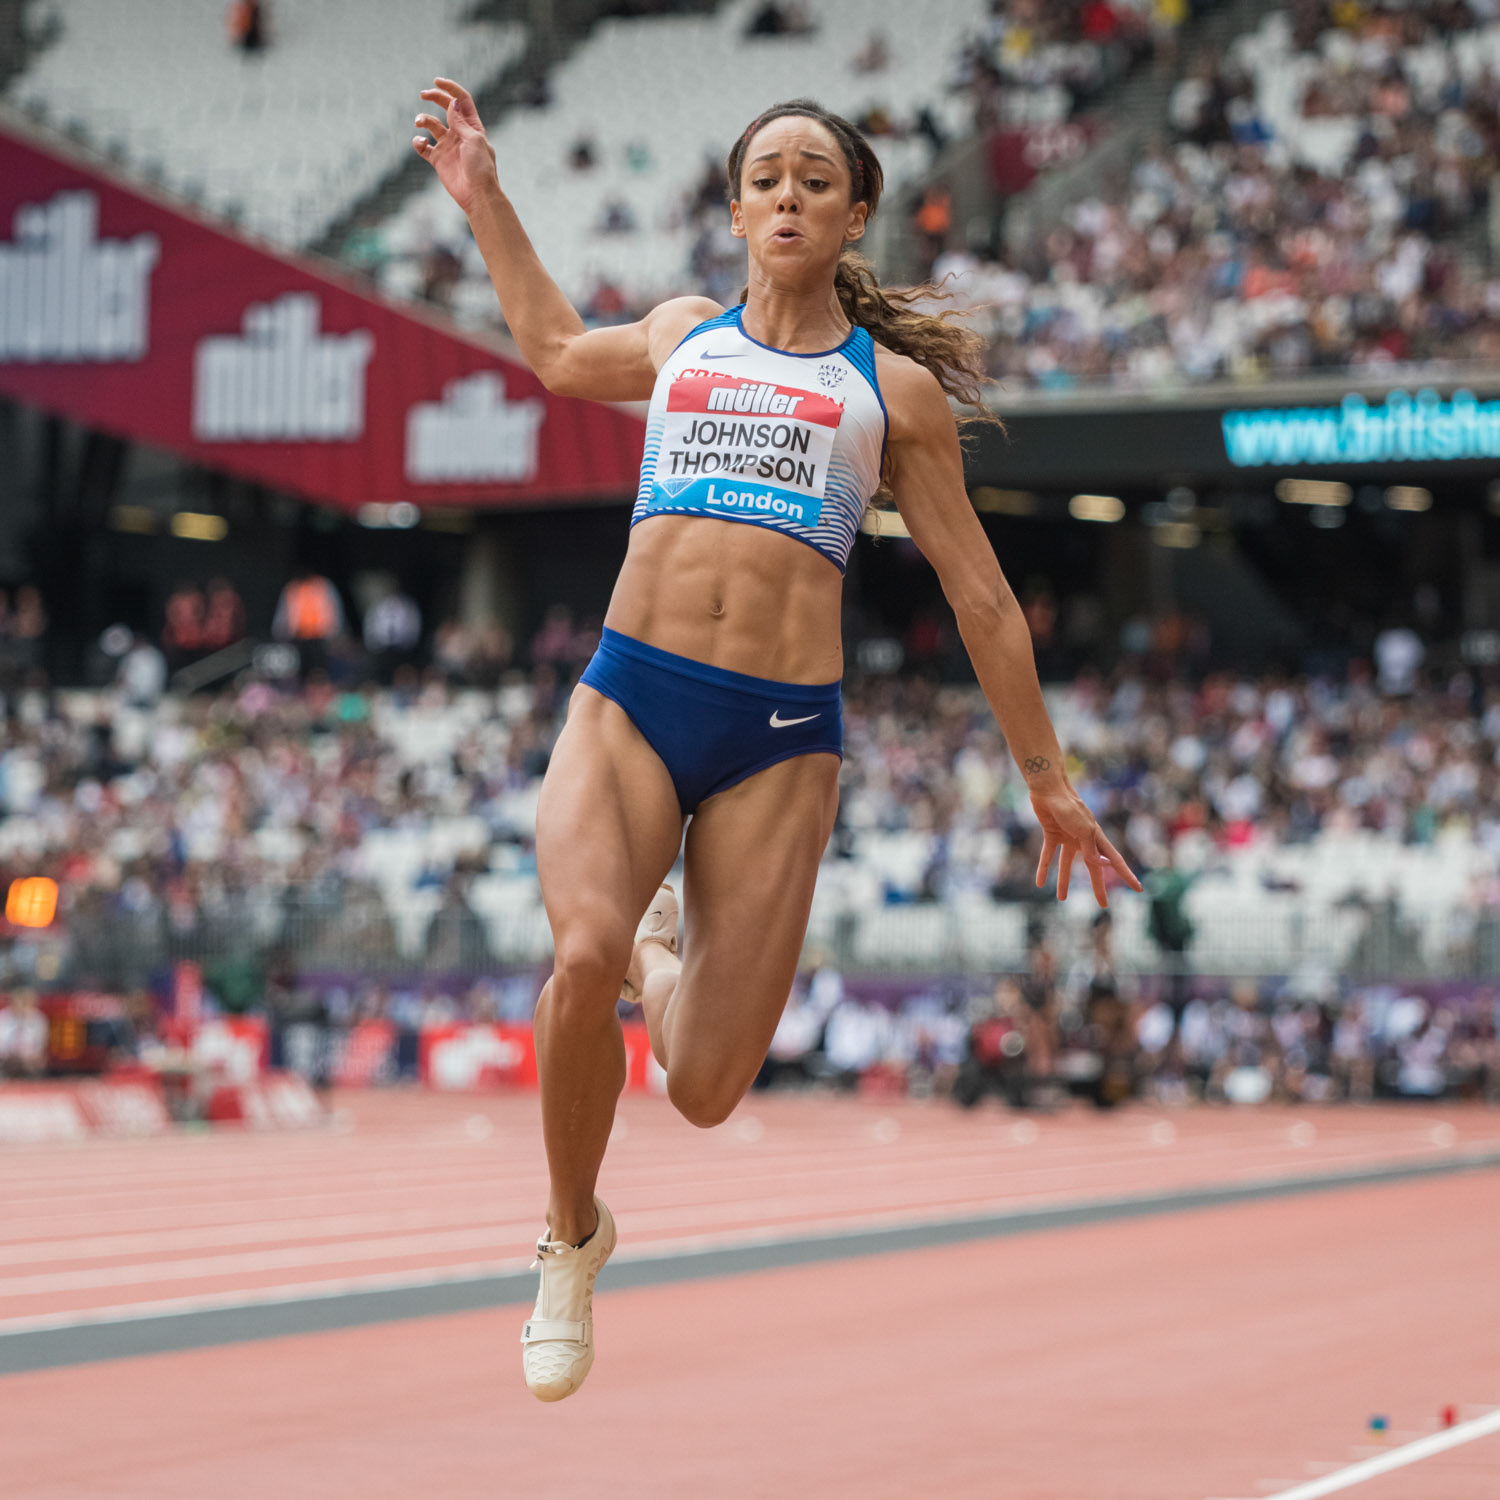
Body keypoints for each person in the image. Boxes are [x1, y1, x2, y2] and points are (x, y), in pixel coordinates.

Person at [412, 79, 1140, 1402]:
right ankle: (570, 1240)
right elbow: (558, 352)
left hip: (778, 739)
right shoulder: (687, 337)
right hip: (630, 697)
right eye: (766, 177)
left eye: (815, 177)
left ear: (856, 214)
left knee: (699, 1088)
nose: (788, 194)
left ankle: (661, 940)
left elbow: (980, 597)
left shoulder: (893, 394)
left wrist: (1049, 783)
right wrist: (487, 202)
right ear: (739, 210)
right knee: (579, 961)